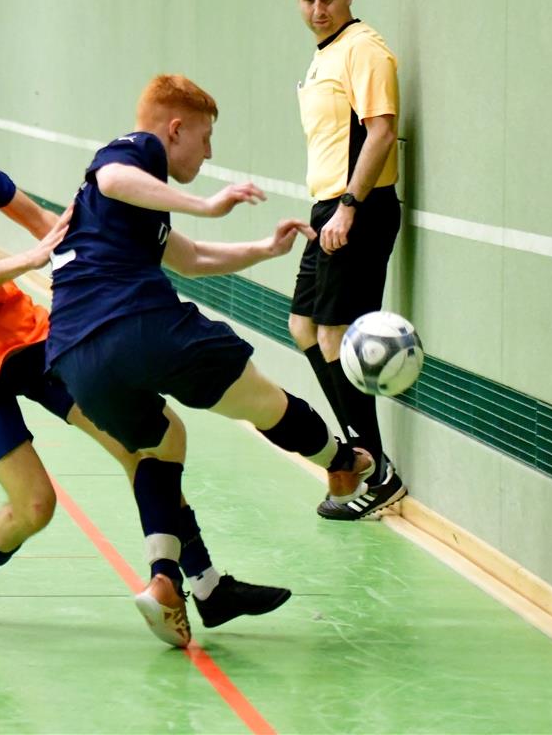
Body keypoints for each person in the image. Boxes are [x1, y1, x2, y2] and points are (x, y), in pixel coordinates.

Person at [0, 49, 288, 637]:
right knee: (35, 508)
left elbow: (37, 216)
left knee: (143, 441)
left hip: (29, 334)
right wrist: (28, 260)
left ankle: (199, 584)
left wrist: (93, 263)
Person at [46, 74, 375, 648]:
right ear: (175, 130)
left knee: (163, 443)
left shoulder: (121, 214)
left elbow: (191, 258)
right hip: (133, 324)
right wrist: (204, 203)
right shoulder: (135, 154)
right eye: (205, 137)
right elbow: (113, 175)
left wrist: (265, 250)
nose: (210, 152)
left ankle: (166, 582)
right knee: (263, 400)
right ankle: (341, 460)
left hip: (73, 357)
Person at [290, 0, 408, 521]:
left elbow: (381, 132)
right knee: (303, 326)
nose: (319, 9)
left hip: (356, 210)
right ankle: (358, 451)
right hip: (328, 211)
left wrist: (349, 206)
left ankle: (376, 470)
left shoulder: (364, 49)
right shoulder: (325, 56)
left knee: (336, 337)